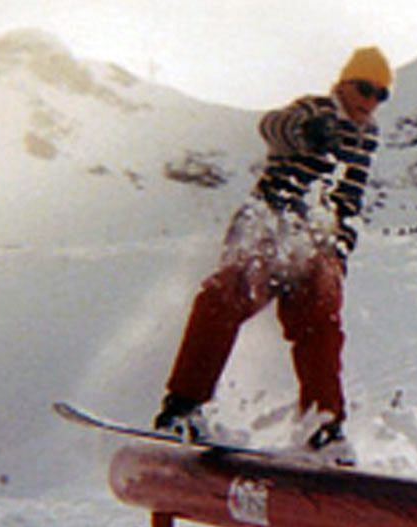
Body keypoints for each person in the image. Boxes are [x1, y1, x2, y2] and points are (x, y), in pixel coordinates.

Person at [153, 46, 393, 462]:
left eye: (380, 95)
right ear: (343, 84)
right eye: (364, 89)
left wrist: (340, 249)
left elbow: (350, 196)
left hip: (314, 237)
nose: (369, 102)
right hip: (270, 218)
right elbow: (271, 126)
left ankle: (324, 427)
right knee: (229, 296)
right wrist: (307, 132)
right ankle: (182, 409)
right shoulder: (317, 109)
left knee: (320, 321)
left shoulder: (367, 136)